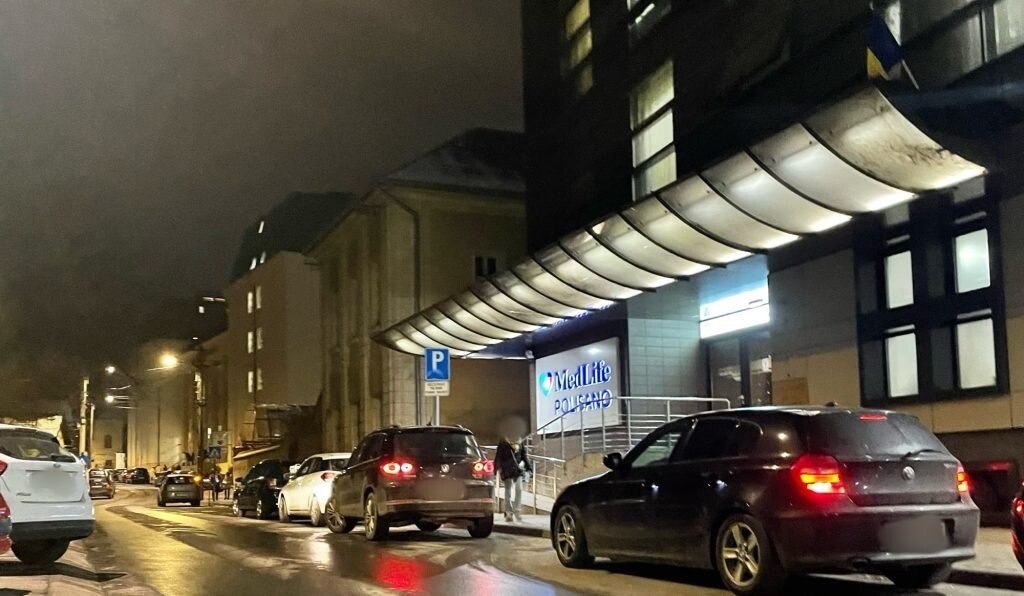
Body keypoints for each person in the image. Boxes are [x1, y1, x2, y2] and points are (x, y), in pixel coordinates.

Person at [495, 437, 532, 522]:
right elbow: (498, 456)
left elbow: (523, 456)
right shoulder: (503, 442)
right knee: (508, 491)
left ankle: (517, 511)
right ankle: (509, 513)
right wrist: (496, 469)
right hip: (507, 469)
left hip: (517, 470)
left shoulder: (520, 441)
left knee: (519, 489)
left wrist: (529, 468)